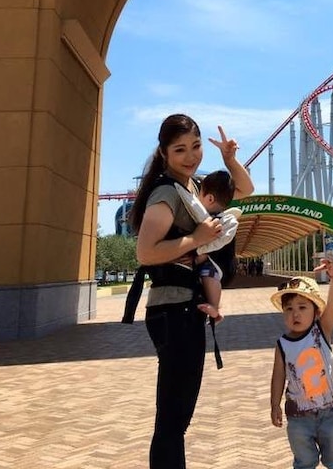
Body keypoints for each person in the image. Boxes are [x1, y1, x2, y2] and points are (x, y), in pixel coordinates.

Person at [130, 114, 254, 469]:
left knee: (176, 419)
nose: (191, 156)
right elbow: (145, 252)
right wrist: (197, 238)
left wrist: (230, 160)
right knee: (173, 421)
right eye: (180, 149)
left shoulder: (192, 187)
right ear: (164, 153)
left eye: (196, 146)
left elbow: (245, 189)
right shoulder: (167, 193)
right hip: (175, 311)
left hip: (183, 310)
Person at [270, 271, 333, 469]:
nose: (295, 314)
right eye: (289, 309)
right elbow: (278, 376)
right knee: (304, 462)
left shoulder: (321, 331)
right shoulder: (282, 344)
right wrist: (274, 404)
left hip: (329, 413)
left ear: (316, 312)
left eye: (302, 307)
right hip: (298, 417)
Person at [174, 169, 242, 321]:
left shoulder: (227, 221)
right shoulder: (202, 216)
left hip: (219, 263)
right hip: (204, 260)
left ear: (209, 198)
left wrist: (197, 251)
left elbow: (219, 242)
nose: (197, 198)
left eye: (200, 194)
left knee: (209, 275)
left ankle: (215, 309)